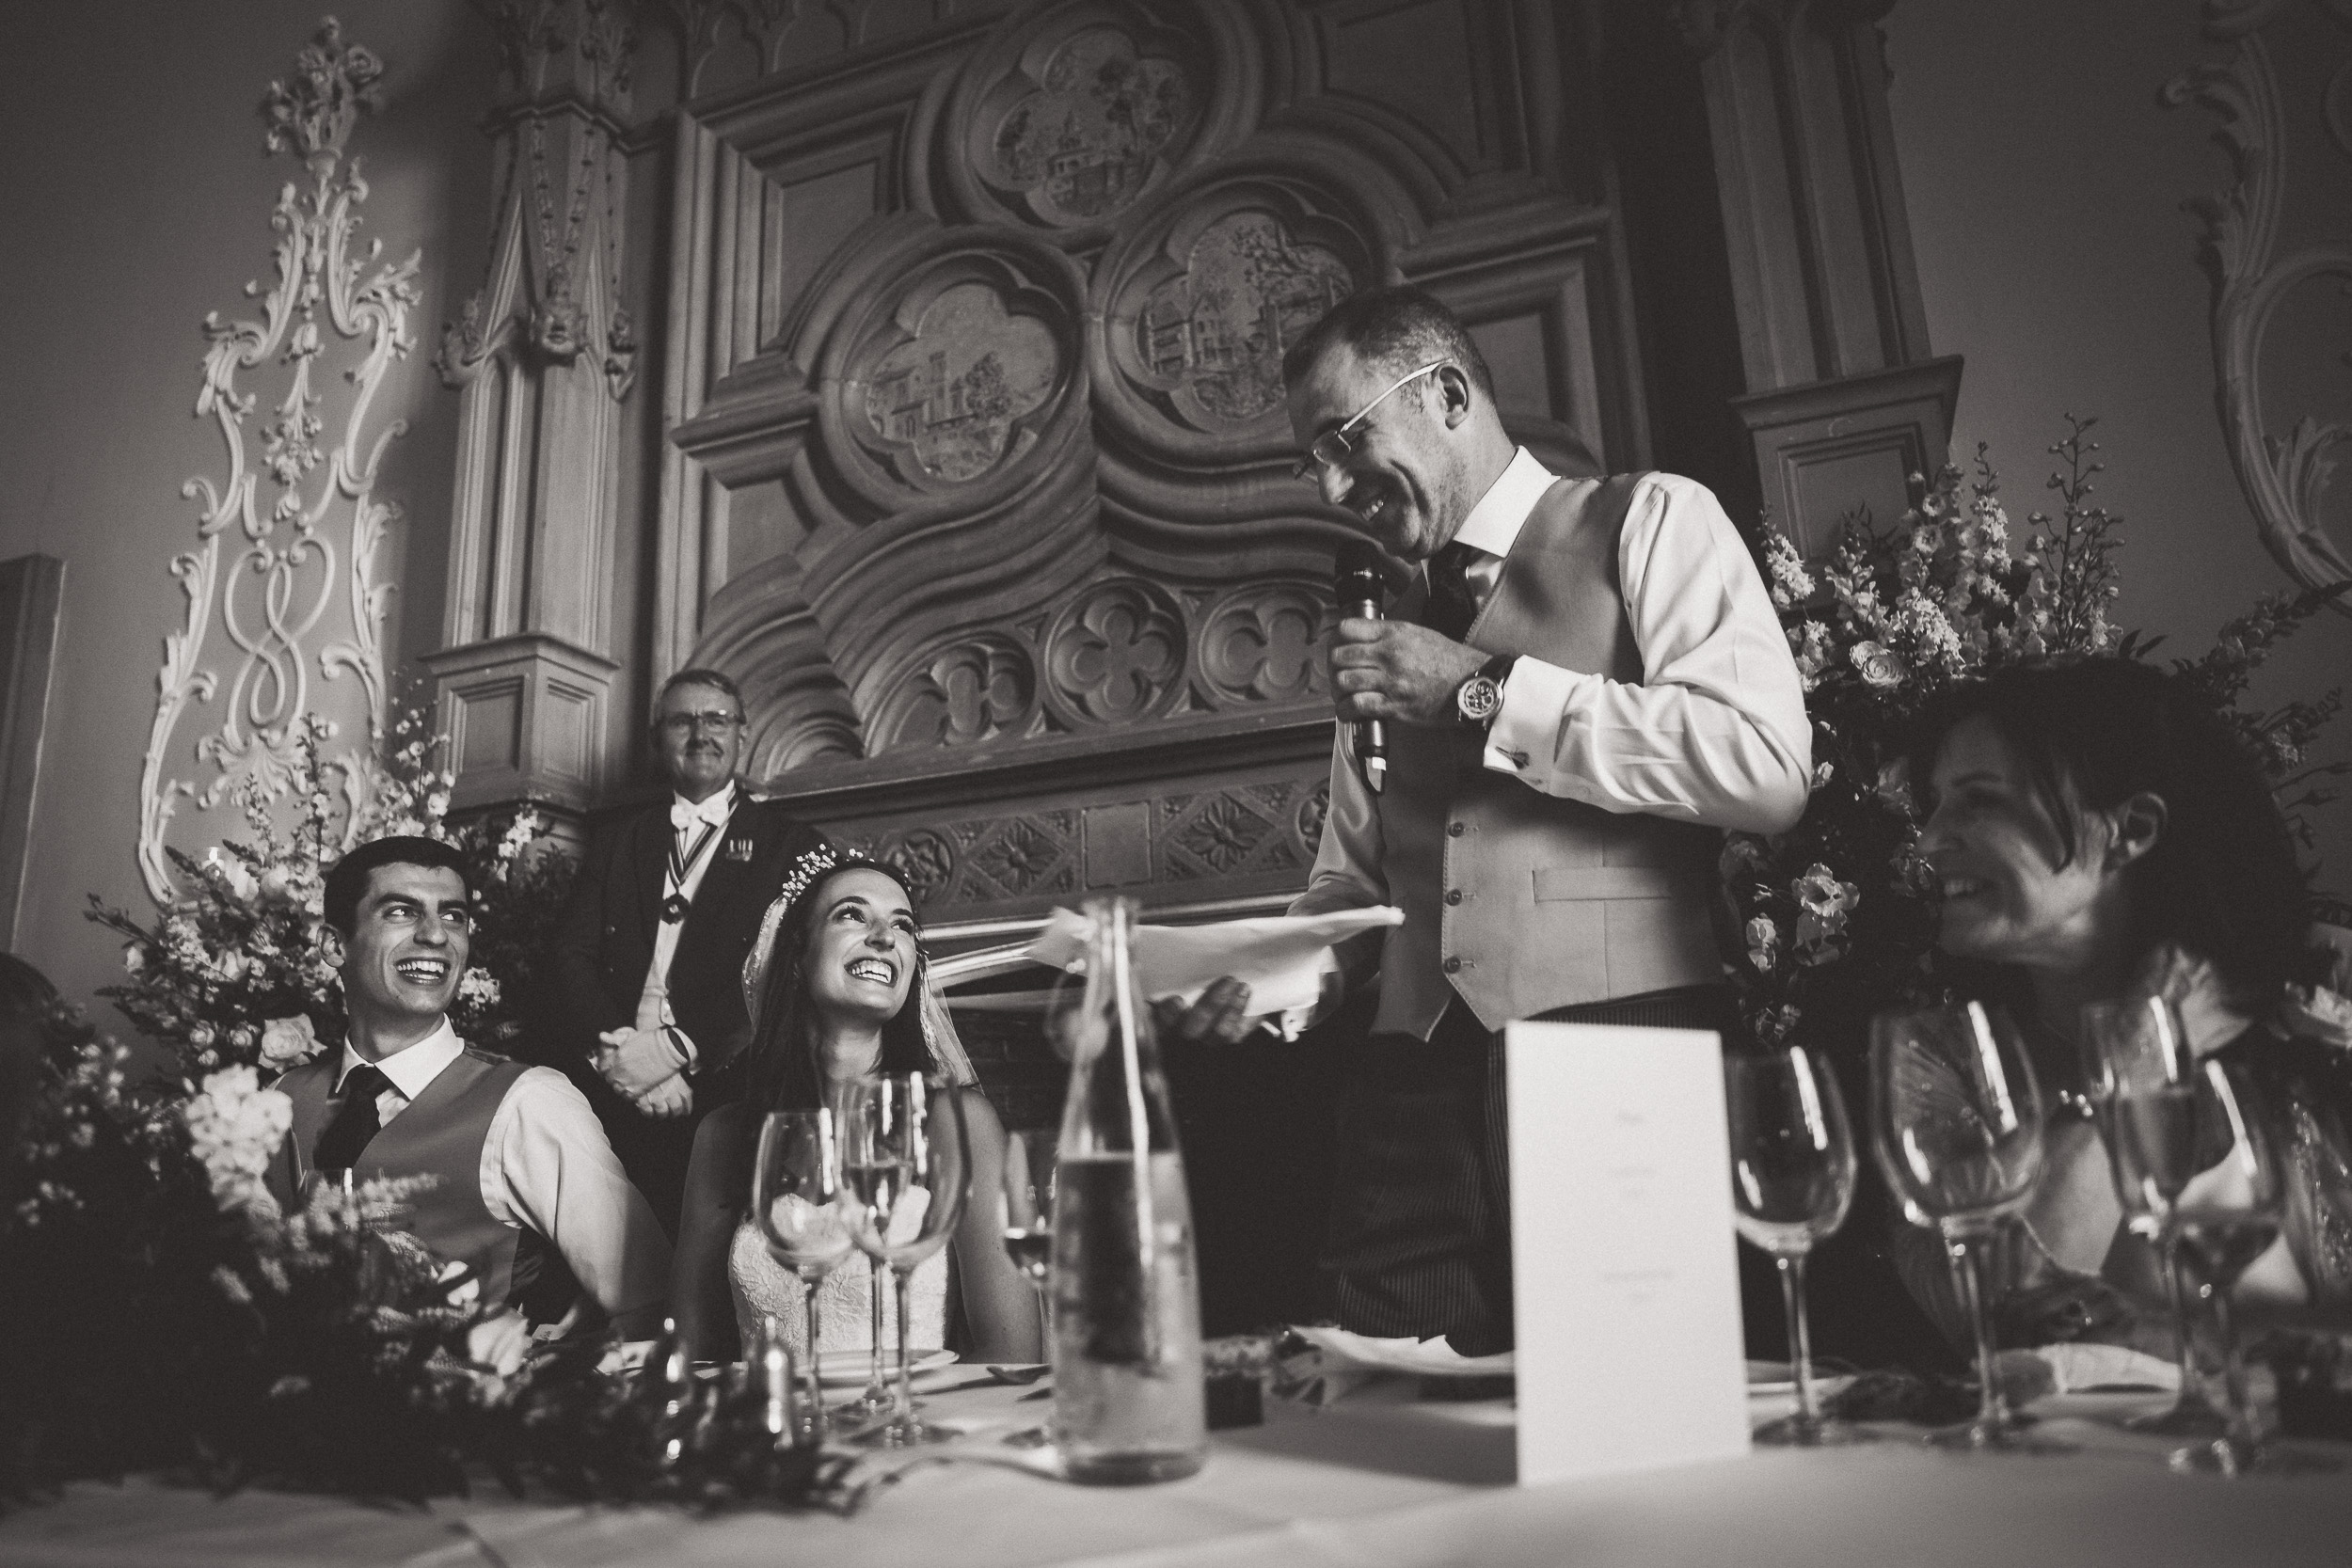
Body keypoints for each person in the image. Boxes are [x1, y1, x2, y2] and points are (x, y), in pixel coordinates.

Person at [1168, 285, 1810, 1353]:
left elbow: (1765, 765)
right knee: (1386, 1417)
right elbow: (1354, 881)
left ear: (1449, 394)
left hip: (1620, 1056)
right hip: (1404, 1100)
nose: (1331, 485)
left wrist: (1485, 691)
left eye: (1345, 438)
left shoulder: (1651, 518)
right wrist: (1266, 972)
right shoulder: (1377, 626)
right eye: (1311, 460)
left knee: (1630, 1427)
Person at [1899, 657, 2352, 1348]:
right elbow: (1993, 1321)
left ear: (2132, 829)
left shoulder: (2308, 1027)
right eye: (1933, 804)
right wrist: (2139, 1054)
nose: (1929, 840)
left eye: (1980, 798)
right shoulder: (1943, 1057)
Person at [265, 835, 672, 1338]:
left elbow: (649, 1302)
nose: (436, 935)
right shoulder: (277, 1102)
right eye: (401, 912)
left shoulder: (529, 1102)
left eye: (453, 916)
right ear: (334, 945)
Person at [669, 850, 1041, 1365]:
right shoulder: (725, 1135)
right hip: (770, 1435)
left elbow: (1014, 1353)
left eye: (903, 925)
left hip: (910, 1429)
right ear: (796, 956)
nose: (885, 937)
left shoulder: (956, 1124)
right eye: (851, 914)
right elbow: (693, 1348)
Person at [547, 668, 830, 1235]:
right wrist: (623, 1055)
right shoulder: (621, 838)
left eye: (717, 719)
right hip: (617, 1081)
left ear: (741, 735)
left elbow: (783, 969)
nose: (701, 733)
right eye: (683, 720)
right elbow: (566, 956)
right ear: (659, 739)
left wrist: (677, 1049)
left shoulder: (791, 845)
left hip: (731, 1088)